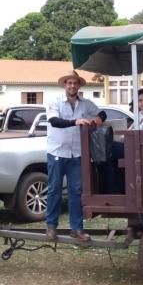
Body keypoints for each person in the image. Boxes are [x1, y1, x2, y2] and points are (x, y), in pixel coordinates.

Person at [44, 70, 102, 241]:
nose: (72, 86)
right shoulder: (55, 102)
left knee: (76, 191)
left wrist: (98, 120)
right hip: (57, 151)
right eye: (69, 83)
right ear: (65, 85)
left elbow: (102, 113)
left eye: (75, 83)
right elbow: (54, 121)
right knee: (54, 189)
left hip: (77, 153)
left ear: (79, 85)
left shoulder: (85, 104)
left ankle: (76, 228)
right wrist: (75, 122)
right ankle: (51, 226)